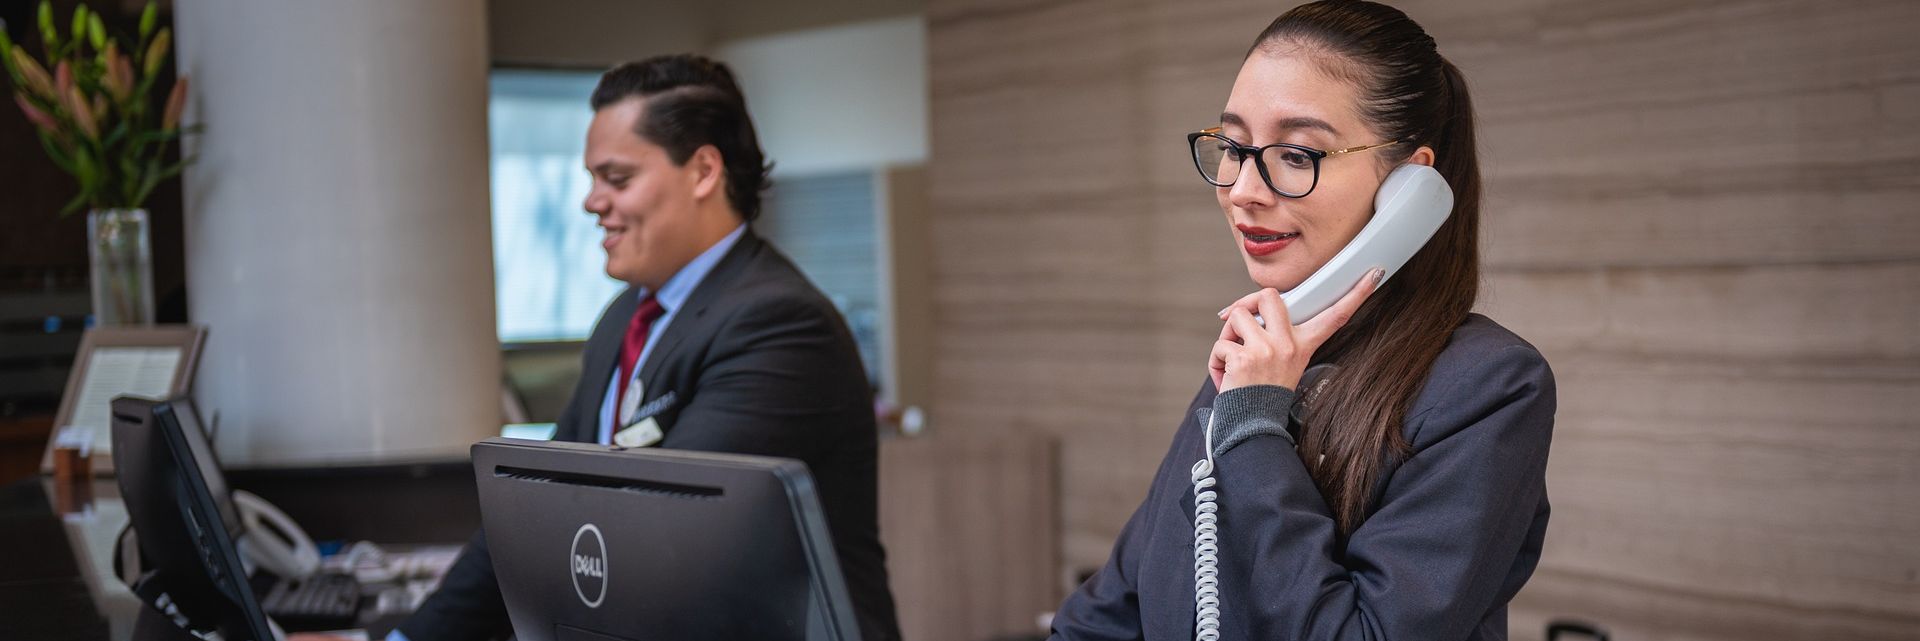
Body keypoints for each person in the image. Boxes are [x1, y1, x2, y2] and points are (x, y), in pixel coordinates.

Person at [1048, 2, 1556, 639]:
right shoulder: (1261, 359)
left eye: (1294, 154)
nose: (1242, 191)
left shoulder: (1489, 385)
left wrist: (1256, 423)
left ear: (1412, 187)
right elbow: (1105, 617)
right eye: (1234, 146)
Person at [389, 54, 900, 641]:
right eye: (591, 178)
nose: (591, 202)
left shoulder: (779, 324)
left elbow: (655, 541)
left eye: (618, 178)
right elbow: (530, 515)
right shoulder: (625, 317)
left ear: (704, 170)